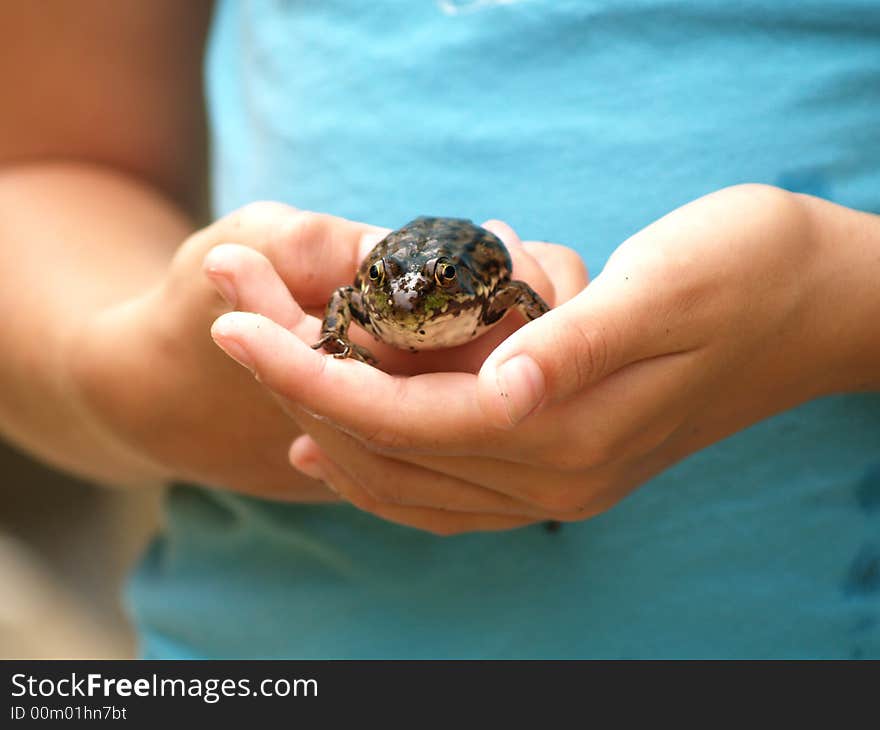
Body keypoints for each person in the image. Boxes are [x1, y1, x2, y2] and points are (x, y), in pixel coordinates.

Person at [1, 0, 877, 658]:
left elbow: (521, 301)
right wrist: (139, 382)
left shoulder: (483, 291)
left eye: (429, 298)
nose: (413, 309)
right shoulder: (372, 299)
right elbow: (37, 173)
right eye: (395, 295)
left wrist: (840, 303)